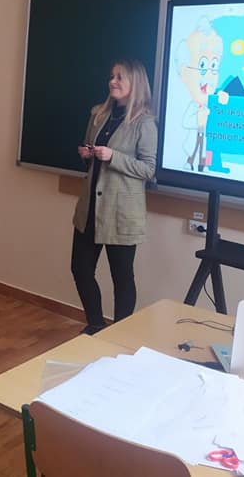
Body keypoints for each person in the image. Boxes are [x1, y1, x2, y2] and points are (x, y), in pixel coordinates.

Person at [71, 60, 158, 335]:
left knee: (121, 277)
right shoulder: (99, 114)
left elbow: (149, 169)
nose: (113, 81)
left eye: (120, 77)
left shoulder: (144, 123)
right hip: (91, 209)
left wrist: (113, 157)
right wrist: (87, 154)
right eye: (112, 76)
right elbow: (93, 160)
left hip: (121, 213)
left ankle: (120, 333)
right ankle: (96, 324)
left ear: (135, 83)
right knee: (80, 269)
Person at [175, 17, 229, 172]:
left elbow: (221, 121)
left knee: (205, 150)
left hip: (206, 135)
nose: (209, 75)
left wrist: (222, 102)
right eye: (202, 65)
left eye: (214, 66)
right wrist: (198, 117)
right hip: (196, 133)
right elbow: (185, 121)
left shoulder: (211, 101)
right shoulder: (194, 104)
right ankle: (190, 162)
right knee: (194, 148)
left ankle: (204, 165)